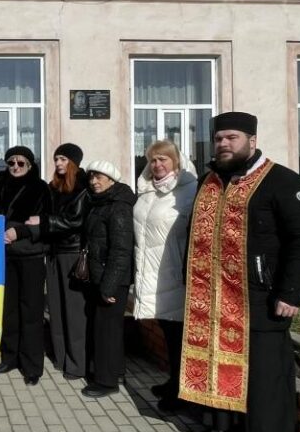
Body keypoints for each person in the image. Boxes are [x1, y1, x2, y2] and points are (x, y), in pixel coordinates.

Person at [179, 112, 300, 432]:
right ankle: (221, 424)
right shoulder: (210, 182)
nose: (224, 144)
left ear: (252, 140)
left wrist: (290, 293)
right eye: (219, 138)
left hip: (261, 295)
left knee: (264, 372)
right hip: (212, 295)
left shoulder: (281, 180)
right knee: (218, 360)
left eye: (232, 138)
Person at [132, 140, 197, 412]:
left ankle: (183, 394)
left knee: (180, 338)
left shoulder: (189, 191)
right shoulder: (147, 192)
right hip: (151, 275)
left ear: (177, 162)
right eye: (153, 160)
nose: (157, 165)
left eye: (163, 160)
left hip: (176, 277)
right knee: (170, 335)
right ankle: (173, 382)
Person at [26, 143, 89, 381]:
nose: (59, 163)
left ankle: (77, 363)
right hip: (53, 253)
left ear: (73, 161)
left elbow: (74, 221)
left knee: (73, 313)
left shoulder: (83, 188)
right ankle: (62, 358)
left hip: (71, 255)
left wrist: (42, 223)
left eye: (63, 159)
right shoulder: (55, 188)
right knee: (56, 309)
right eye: (56, 159)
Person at [0, 146, 51, 385]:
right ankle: (10, 356)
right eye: (11, 163)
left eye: (21, 163)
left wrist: (20, 230)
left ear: (30, 165)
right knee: (9, 309)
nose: (15, 167)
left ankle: (32, 365)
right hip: (5, 255)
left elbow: (45, 220)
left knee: (31, 311)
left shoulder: (40, 188)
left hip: (30, 256)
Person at [81, 160, 136, 399]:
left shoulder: (118, 206)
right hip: (101, 276)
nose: (94, 182)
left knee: (107, 331)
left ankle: (106, 381)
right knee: (107, 329)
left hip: (111, 279)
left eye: (99, 177)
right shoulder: (100, 203)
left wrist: (109, 286)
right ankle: (115, 372)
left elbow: (121, 249)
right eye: (92, 177)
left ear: (112, 179)